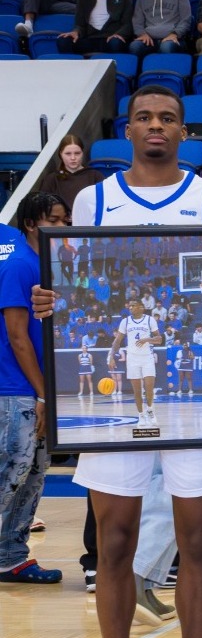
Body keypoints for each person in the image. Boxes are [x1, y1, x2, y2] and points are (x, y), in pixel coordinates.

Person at [40, 87, 202, 638]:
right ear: (127, 128)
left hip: (193, 392)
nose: (155, 126)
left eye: (167, 118)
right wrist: (57, 301)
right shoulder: (93, 200)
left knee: (196, 541)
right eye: (144, 117)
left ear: (184, 131)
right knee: (113, 544)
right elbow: (79, 288)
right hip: (113, 395)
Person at [0, 193, 68, 586]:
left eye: (64, 219)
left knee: (35, 474)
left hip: (40, 388)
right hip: (16, 389)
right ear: (31, 223)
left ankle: (11, 555)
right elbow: (17, 336)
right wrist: (42, 393)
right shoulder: (19, 266)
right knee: (12, 468)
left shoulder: (50, 264)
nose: (61, 227)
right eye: (54, 221)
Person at [40, 134, 105, 210]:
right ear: (61, 154)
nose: (73, 158)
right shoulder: (51, 179)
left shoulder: (95, 176)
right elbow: (43, 207)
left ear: (82, 153)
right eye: (68, 154)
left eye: (77, 153)